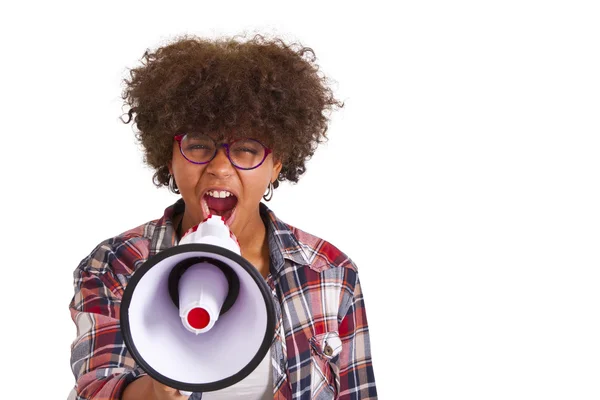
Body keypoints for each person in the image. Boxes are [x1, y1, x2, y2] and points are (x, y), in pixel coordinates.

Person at [68, 34, 377, 400]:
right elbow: (96, 388)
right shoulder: (117, 264)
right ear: (169, 157)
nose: (219, 168)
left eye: (246, 149)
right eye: (199, 145)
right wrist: (156, 389)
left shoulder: (330, 272)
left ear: (277, 164)